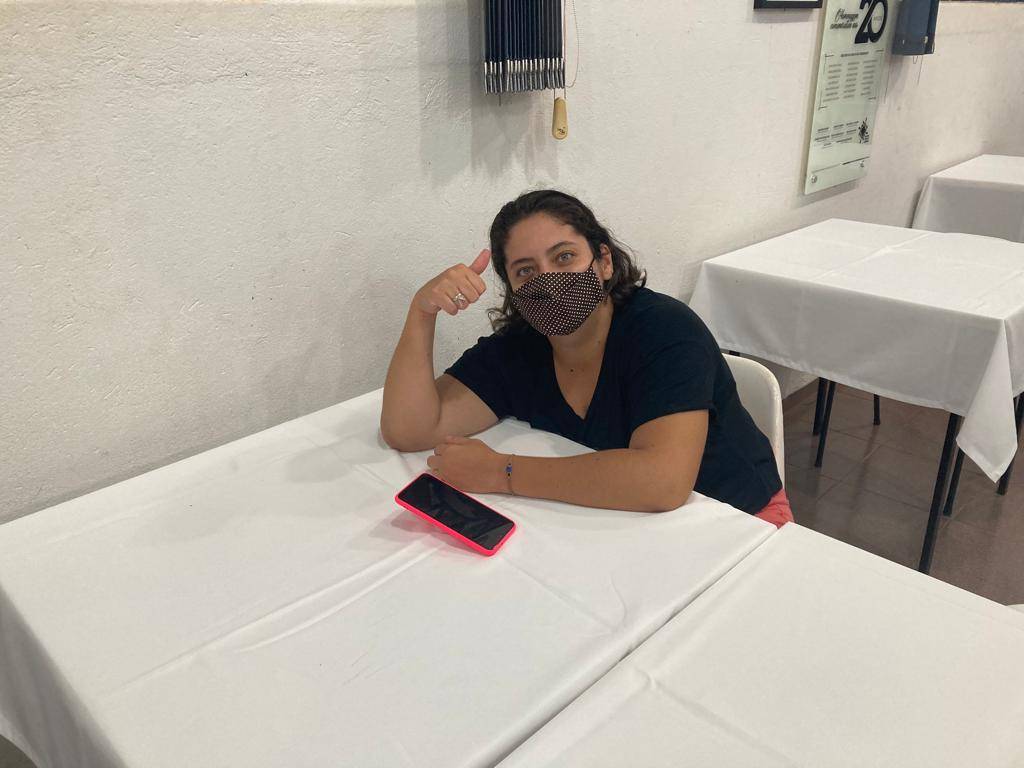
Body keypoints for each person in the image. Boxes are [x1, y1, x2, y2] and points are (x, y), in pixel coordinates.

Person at [380, 190, 792, 525]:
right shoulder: (520, 348)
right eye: (525, 271)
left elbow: (662, 482)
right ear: (513, 291)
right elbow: (410, 431)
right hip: (623, 526)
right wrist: (422, 313)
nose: (548, 280)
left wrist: (501, 472)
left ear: (604, 262)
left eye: (564, 257)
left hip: (741, 522)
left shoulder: (664, 329)